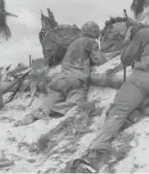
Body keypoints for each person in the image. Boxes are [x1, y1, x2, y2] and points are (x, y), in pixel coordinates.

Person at [64, 26, 149, 173]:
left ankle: (91, 157)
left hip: (142, 78)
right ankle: (139, 111)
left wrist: (127, 42)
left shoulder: (144, 32)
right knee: (134, 108)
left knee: (118, 112)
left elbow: (126, 59)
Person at [14, 21, 108, 127]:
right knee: (77, 105)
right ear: (95, 32)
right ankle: (49, 111)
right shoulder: (90, 41)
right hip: (76, 81)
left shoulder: (73, 44)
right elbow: (99, 60)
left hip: (59, 81)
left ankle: (29, 117)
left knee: (45, 105)